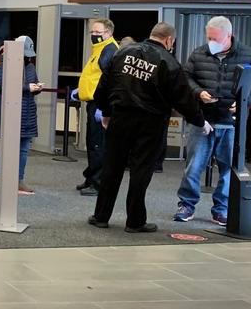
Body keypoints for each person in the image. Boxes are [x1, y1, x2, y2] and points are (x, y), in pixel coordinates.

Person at [89, 23, 208, 233]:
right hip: (151, 123)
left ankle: (101, 216)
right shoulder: (169, 62)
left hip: (120, 117)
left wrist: (106, 112)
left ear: (152, 34)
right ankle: (134, 222)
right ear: (169, 40)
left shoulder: (122, 52)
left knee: (112, 168)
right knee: (140, 171)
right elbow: (183, 99)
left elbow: (103, 86)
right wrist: (199, 120)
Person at [174, 16, 251, 227]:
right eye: (208, 37)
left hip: (231, 122)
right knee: (193, 165)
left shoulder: (248, 55)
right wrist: (198, 93)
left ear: (228, 35)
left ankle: (221, 209)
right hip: (203, 121)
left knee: (228, 169)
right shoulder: (199, 53)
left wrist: (245, 101)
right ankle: (186, 205)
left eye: (215, 38)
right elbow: (185, 78)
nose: (211, 42)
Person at [0, 37, 41, 192]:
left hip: (27, 113)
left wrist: (37, 87)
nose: (26, 57)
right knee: (5, 146)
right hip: (8, 112)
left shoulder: (30, 67)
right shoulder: (1, 67)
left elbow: (33, 82)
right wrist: (27, 88)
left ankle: (19, 179)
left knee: (24, 148)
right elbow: (4, 87)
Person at [76, 19, 119, 197]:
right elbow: (95, 77)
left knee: (98, 144)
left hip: (100, 105)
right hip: (93, 103)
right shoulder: (99, 49)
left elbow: (110, 82)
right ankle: (91, 177)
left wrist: (104, 107)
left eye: (97, 33)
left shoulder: (109, 50)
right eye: (92, 33)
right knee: (92, 143)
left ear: (108, 33)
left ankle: (97, 183)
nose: (93, 36)